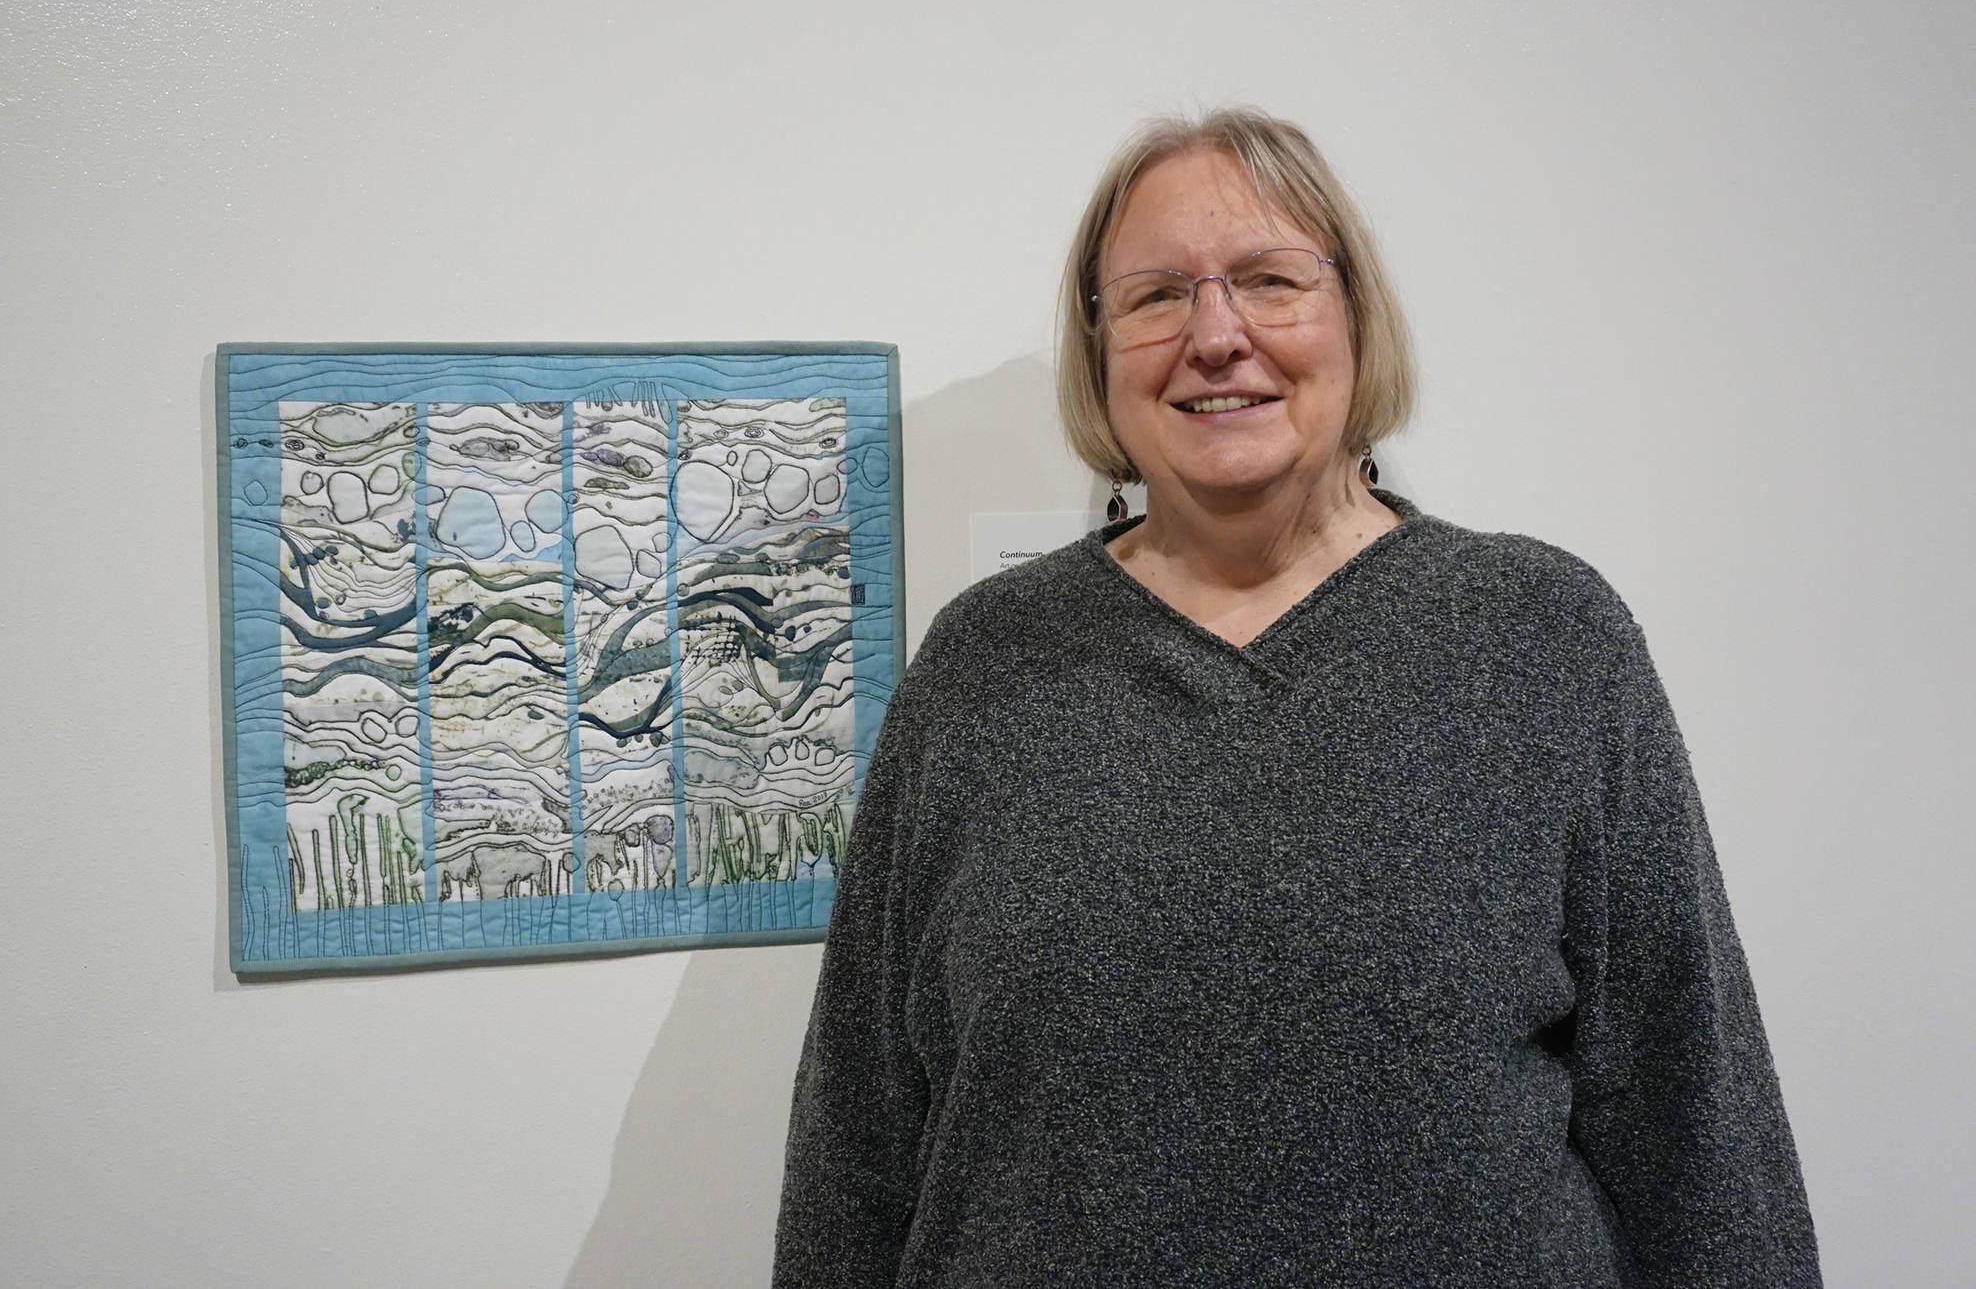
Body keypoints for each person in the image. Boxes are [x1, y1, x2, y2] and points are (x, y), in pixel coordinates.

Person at [772, 107, 1819, 1287]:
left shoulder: (1543, 637)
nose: (1215, 337)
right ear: (1098, 347)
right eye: (1157, 295)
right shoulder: (983, 666)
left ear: (1354, 322)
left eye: (1269, 281)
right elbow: (857, 1138)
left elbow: (1693, 1115)